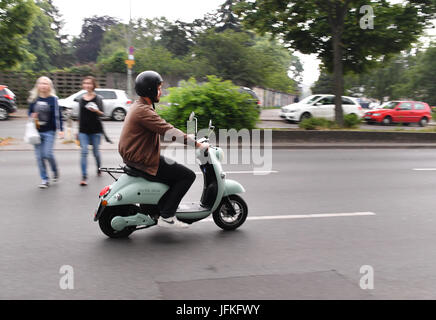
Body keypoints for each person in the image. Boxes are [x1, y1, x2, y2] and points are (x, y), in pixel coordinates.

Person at [118, 70, 209, 229]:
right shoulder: (144, 111)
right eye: (158, 88)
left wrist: (186, 136)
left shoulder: (139, 105)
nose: (161, 91)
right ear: (150, 90)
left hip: (136, 156)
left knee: (171, 174)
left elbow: (161, 130)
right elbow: (168, 130)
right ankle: (167, 216)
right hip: (142, 159)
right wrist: (198, 145)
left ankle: (158, 209)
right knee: (186, 176)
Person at [28, 76, 64, 189]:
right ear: (37, 85)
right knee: (39, 157)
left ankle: (55, 170)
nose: (43, 85)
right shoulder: (34, 99)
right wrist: (31, 116)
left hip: (49, 132)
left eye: (46, 83)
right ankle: (44, 179)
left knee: (47, 154)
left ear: (49, 86)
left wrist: (61, 130)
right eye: (41, 83)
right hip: (36, 132)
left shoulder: (53, 99)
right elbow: (29, 113)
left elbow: (58, 116)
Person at [78, 76, 105, 186]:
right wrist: (77, 131)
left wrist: (96, 110)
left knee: (96, 153)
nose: (87, 85)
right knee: (84, 152)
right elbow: (80, 116)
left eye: (89, 83)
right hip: (83, 130)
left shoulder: (98, 98)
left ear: (93, 85)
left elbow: (103, 113)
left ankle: (99, 168)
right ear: (83, 85)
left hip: (95, 130)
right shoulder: (81, 99)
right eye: (85, 83)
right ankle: (84, 176)